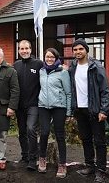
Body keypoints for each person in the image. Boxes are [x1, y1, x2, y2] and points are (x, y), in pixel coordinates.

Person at [69, 39, 109, 183]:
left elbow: (105, 90)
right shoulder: (73, 66)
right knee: (85, 139)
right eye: (75, 50)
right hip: (80, 110)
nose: (78, 52)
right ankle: (90, 166)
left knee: (99, 141)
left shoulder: (96, 66)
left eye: (80, 49)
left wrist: (104, 110)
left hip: (95, 109)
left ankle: (101, 171)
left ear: (86, 50)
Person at [37, 48, 71, 178]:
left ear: (56, 58)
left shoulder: (62, 72)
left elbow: (68, 93)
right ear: (44, 58)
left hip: (59, 107)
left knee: (60, 135)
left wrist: (68, 112)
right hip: (43, 106)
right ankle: (42, 158)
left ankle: (62, 164)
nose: (49, 59)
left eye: (52, 57)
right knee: (44, 132)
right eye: (47, 57)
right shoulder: (42, 71)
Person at [13, 40, 43, 170]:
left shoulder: (38, 64)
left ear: (31, 50)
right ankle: (24, 156)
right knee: (22, 132)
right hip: (20, 105)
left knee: (31, 129)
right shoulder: (16, 65)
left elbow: (49, 73)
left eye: (26, 48)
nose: (24, 51)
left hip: (34, 104)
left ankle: (33, 159)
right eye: (21, 49)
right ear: (19, 50)